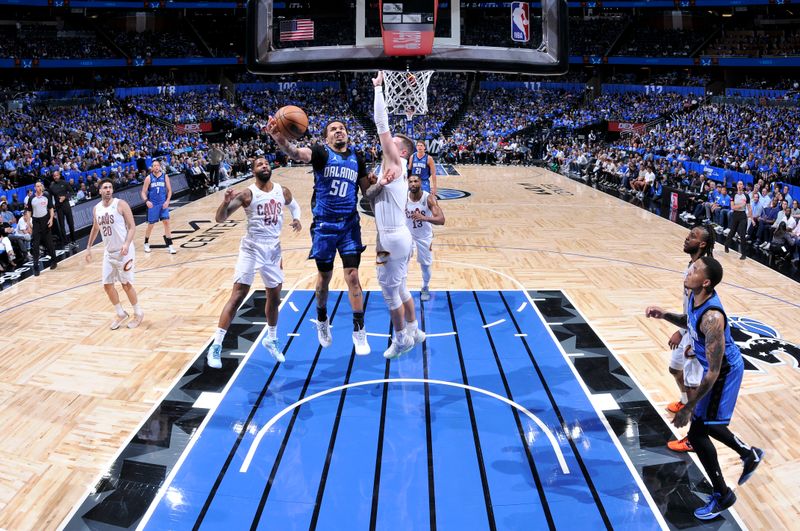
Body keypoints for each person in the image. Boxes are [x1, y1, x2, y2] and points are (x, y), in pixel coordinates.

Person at [646, 256, 764, 520]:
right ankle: (745, 458)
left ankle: (727, 488)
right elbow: (688, 321)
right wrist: (664, 314)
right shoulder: (692, 295)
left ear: (707, 282)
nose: (690, 271)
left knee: (700, 429)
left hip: (723, 372)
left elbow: (712, 371)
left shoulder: (713, 317)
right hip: (712, 369)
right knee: (702, 430)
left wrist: (688, 406)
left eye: (696, 270)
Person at [267, 110, 371, 355]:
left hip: (349, 225)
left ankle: (359, 330)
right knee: (324, 277)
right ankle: (322, 321)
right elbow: (294, 153)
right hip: (324, 225)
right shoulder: (320, 152)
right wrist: (278, 138)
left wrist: (382, 182)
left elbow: (368, 192)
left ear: (348, 134)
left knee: (353, 276)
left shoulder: (359, 157)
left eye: (342, 127)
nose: (339, 130)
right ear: (326, 138)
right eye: (333, 128)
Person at [206, 158, 301, 368]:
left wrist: (297, 218)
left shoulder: (281, 190)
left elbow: (294, 206)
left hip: (273, 249)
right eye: (259, 164)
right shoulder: (247, 194)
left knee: (274, 297)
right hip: (252, 247)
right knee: (238, 295)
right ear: (253, 171)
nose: (265, 165)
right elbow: (220, 219)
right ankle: (216, 346)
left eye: (266, 163)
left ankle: (271, 339)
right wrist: (224, 201)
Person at [368, 71, 425, 359]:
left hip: (390, 239)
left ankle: (402, 339)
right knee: (401, 286)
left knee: (389, 292)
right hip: (401, 236)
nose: (387, 143)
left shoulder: (395, 161)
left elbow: (381, 124)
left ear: (400, 149)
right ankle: (415, 329)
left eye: (393, 142)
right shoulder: (395, 169)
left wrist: (379, 89)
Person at [660, 225, 715, 453]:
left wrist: (690, 337)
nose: (687, 237)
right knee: (675, 369)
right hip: (688, 329)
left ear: (702, 244)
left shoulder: (703, 271)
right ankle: (684, 401)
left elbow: (701, 308)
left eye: (693, 236)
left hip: (695, 334)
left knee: (694, 385)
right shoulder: (693, 265)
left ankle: (693, 436)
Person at [85, 178, 144, 329]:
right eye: (105, 187)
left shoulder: (120, 204)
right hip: (108, 252)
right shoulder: (96, 208)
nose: (108, 190)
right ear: (100, 190)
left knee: (126, 284)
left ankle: (138, 313)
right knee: (107, 285)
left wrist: (126, 243)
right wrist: (88, 247)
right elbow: (95, 227)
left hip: (124, 251)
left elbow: (132, 227)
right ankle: (121, 313)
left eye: (110, 187)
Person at [405, 174, 445, 302]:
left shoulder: (429, 198)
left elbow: (441, 220)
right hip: (407, 235)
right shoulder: (403, 197)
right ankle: (401, 289)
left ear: (421, 183)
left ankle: (425, 287)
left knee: (425, 265)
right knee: (402, 263)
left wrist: (425, 218)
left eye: (416, 181)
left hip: (424, 236)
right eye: (410, 181)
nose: (413, 184)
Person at [140, 160, 176, 254]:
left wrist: (168, 201)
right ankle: (146, 243)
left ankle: (170, 245)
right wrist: (146, 201)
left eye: (157, 165)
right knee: (151, 225)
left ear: (160, 166)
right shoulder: (148, 178)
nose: (156, 167)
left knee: (166, 222)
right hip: (153, 205)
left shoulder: (165, 176)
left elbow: (170, 191)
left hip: (163, 204)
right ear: (152, 167)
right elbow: (143, 192)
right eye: (154, 165)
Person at [26, 181, 58, 276]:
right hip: (36, 222)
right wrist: (28, 223)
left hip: (45, 220)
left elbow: (51, 208)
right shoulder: (31, 198)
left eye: (40, 186)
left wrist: (51, 219)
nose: (38, 187)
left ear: (42, 187)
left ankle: (54, 261)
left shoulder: (47, 195)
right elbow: (29, 211)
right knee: (35, 245)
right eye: (37, 186)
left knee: (49, 243)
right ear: (35, 188)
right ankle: (36, 267)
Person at [48, 170, 77, 250]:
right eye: (54, 176)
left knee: (71, 223)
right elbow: (50, 199)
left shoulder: (64, 183)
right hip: (58, 207)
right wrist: (52, 210)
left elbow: (71, 192)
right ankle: (65, 242)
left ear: (59, 175)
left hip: (66, 206)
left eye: (57, 175)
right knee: (62, 226)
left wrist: (65, 197)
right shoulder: (51, 186)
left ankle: (73, 240)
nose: (56, 177)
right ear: (53, 177)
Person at [724, 180, 750, 260]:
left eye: (741, 184)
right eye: (738, 184)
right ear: (737, 186)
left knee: (742, 235)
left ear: (743, 186)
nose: (739, 185)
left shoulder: (746, 196)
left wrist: (751, 218)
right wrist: (741, 205)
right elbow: (732, 207)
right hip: (735, 215)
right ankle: (726, 245)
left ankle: (743, 254)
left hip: (742, 215)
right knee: (732, 232)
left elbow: (749, 207)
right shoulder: (733, 195)